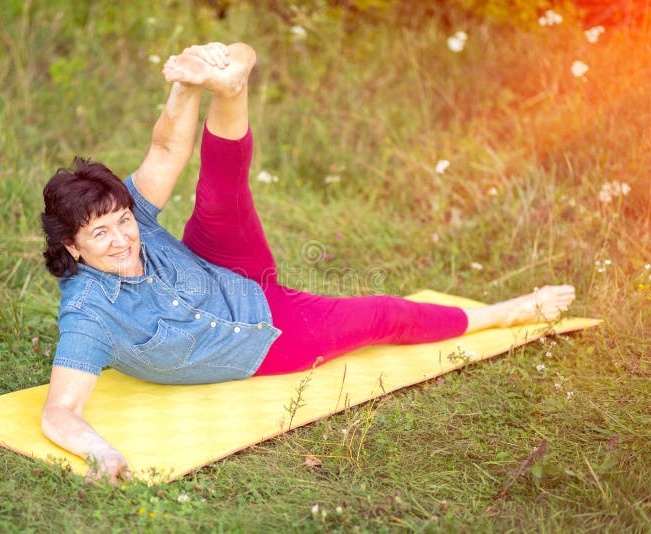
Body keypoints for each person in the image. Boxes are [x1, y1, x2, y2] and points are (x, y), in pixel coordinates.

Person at [39, 42, 576, 483]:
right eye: (100, 234)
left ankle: (229, 85)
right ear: (72, 247)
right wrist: (102, 454)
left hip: (225, 265)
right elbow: (61, 410)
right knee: (382, 315)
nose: (122, 240)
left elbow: (164, 152)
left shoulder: (134, 219)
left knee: (220, 195)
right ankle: (506, 312)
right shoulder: (89, 315)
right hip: (263, 333)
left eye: (124, 223)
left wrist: (184, 84)